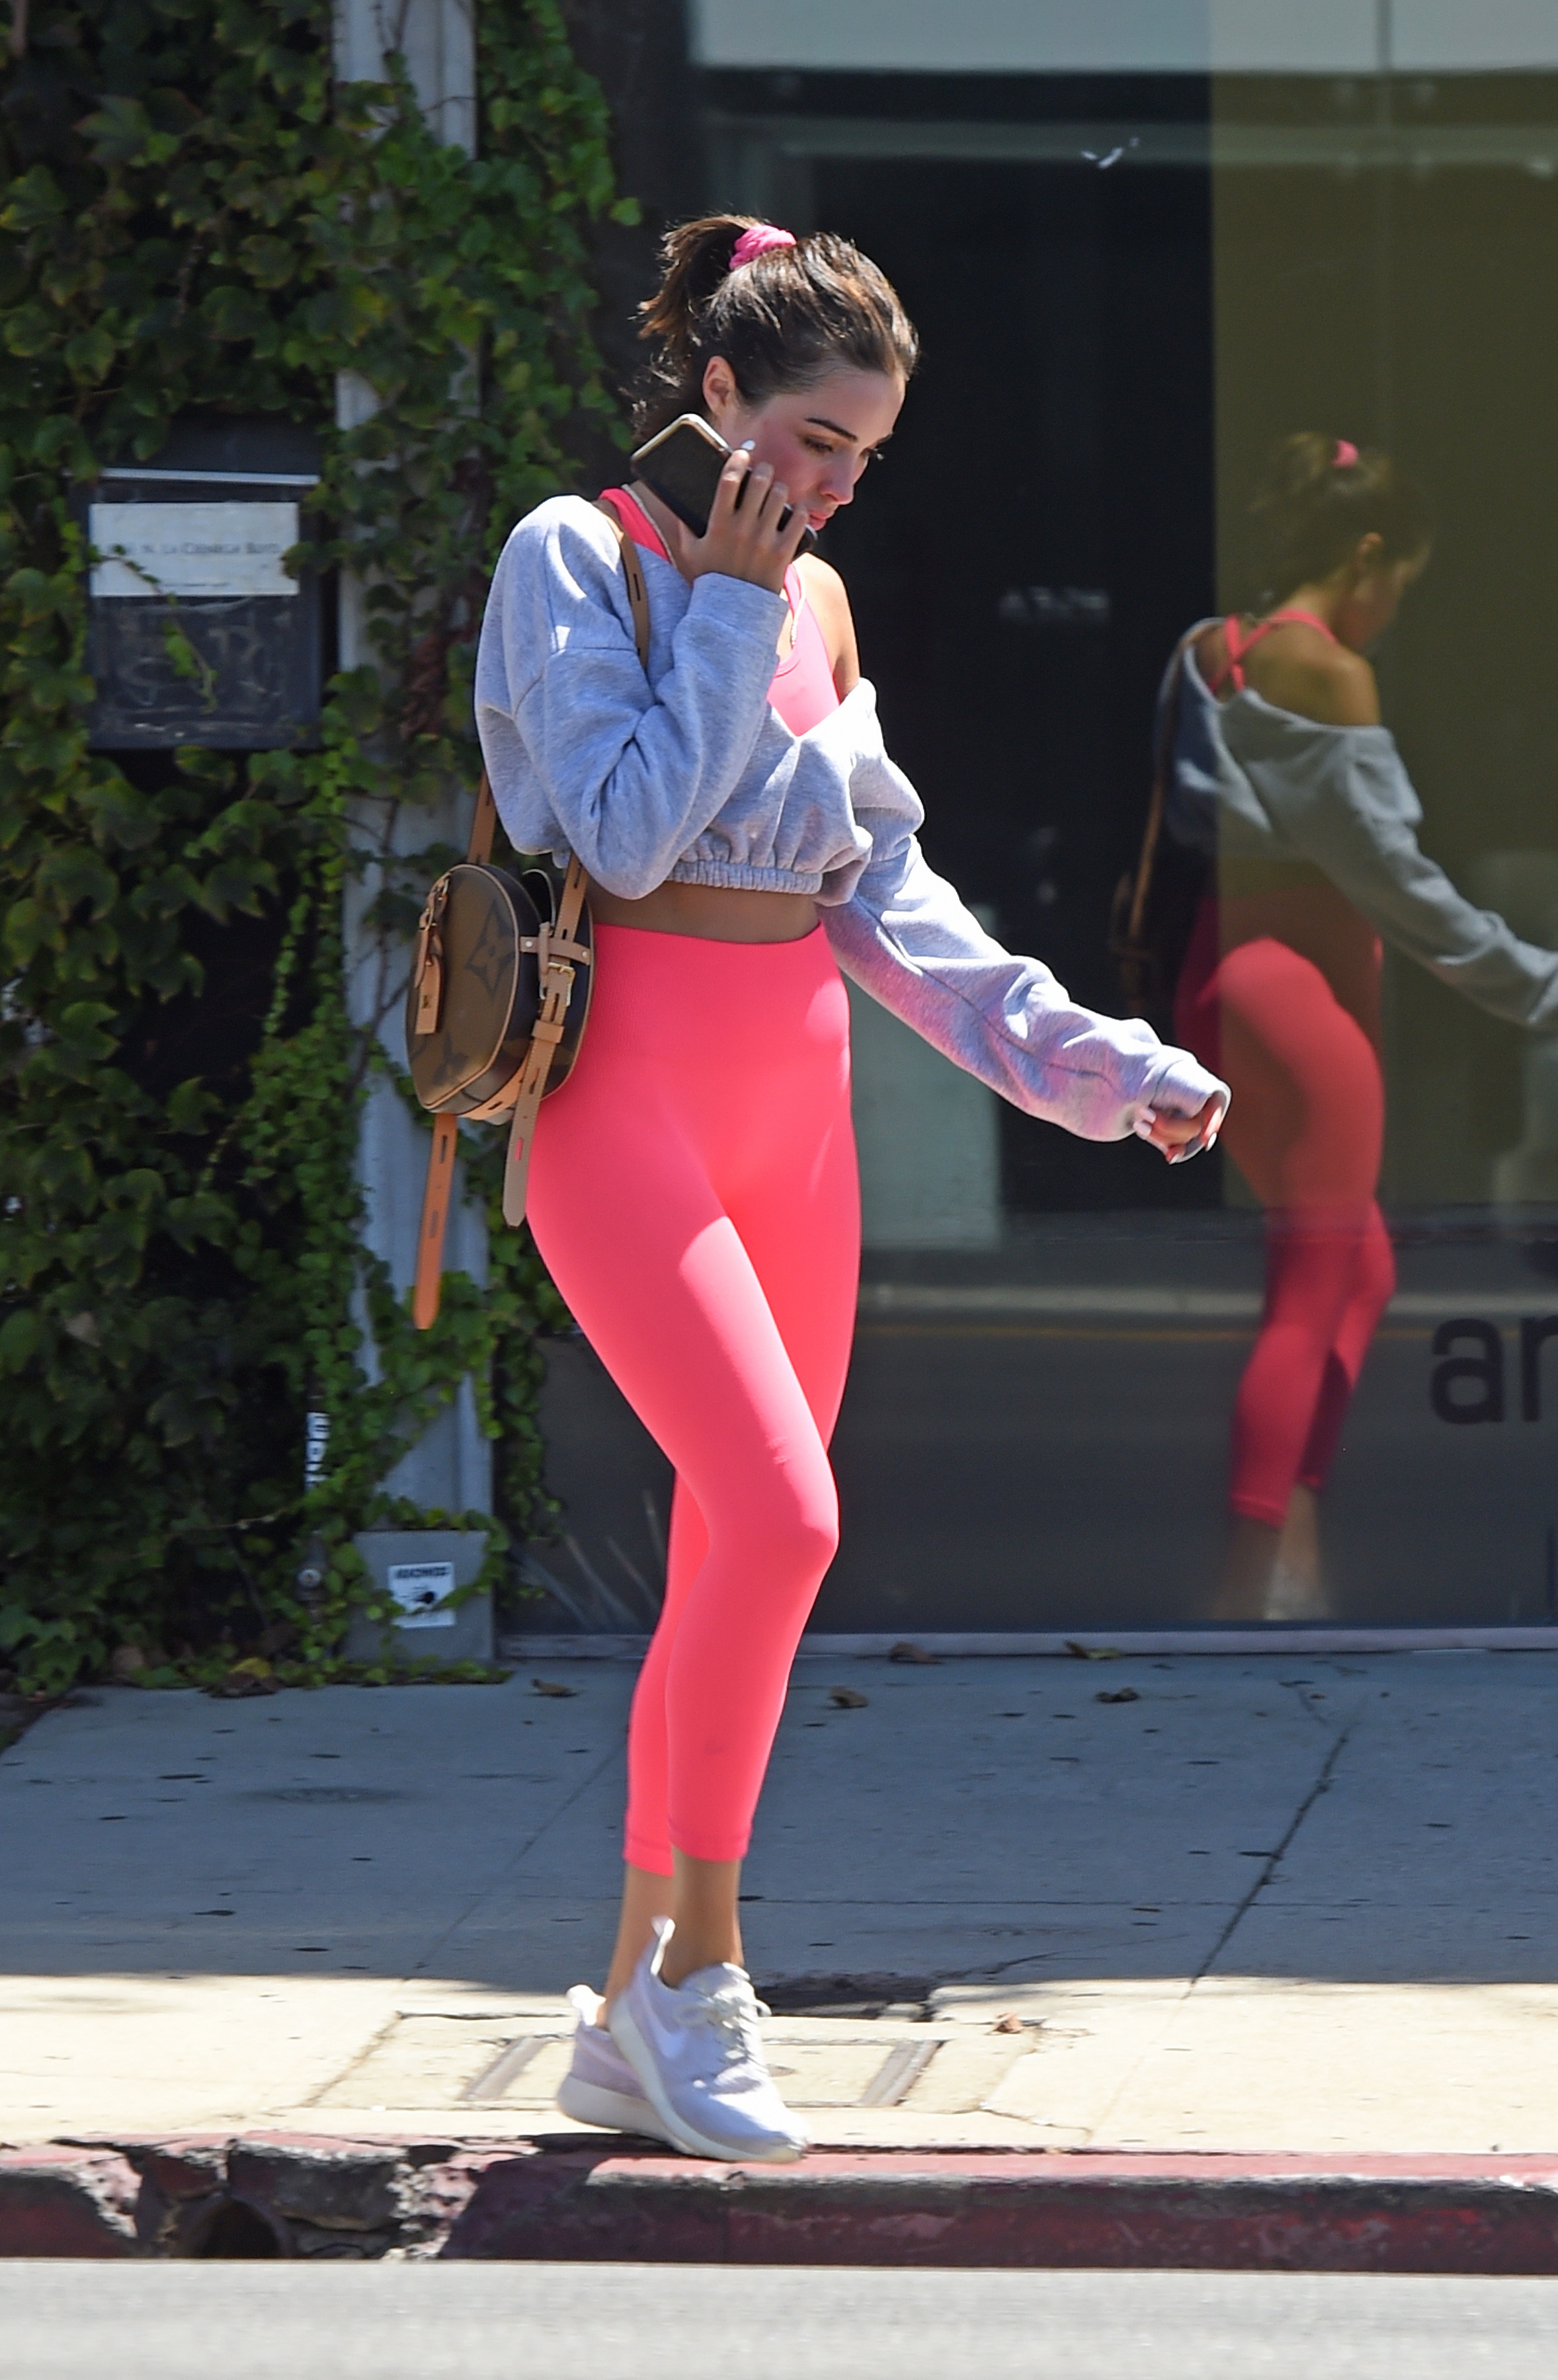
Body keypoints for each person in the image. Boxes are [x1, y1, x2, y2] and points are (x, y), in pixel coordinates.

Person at [475, 216, 1228, 2163]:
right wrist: (729, 606)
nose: (826, 491)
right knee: (788, 1519)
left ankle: (628, 1999)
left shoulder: (817, 613)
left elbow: (886, 905)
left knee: (744, 1560)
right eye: (810, 439)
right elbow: (622, 834)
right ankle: (701, 1981)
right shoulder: (582, 558)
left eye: (863, 461)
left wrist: (1095, 1061)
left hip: (794, 1107)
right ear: (714, 391)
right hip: (630, 1108)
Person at [1165, 432, 1558, 1620]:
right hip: (1311, 997)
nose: (1397, 609)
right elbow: (1404, 892)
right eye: (1402, 578)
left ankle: (1290, 1539)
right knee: (1312, 1282)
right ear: (1366, 556)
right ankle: (1258, 1584)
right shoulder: (1331, 672)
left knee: (1358, 1268)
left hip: (1222, 979)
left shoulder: (1211, 653)